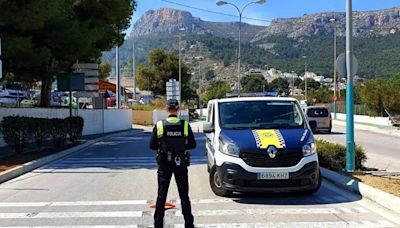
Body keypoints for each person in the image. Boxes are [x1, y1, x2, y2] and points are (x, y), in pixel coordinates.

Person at [150, 99, 196, 228]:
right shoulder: (185, 125)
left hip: (164, 164)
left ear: (166, 109)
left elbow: (152, 146)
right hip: (180, 163)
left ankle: (158, 224)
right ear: (178, 109)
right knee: (184, 195)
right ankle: (189, 224)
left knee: (161, 195)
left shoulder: (160, 125)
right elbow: (192, 144)